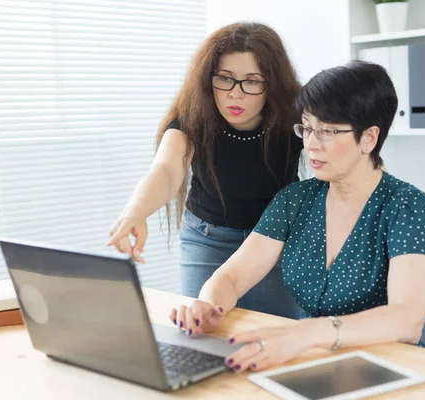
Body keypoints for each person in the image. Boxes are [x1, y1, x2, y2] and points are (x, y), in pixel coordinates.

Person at [169, 60, 425, 373]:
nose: (311, 145)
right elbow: (233, 276)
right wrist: (208, 304)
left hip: (391, 368)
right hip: (316, 362)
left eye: (327, 131)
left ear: (369, 138)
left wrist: (304, 334)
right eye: (307, 128)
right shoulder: (295, 200)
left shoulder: (406, 206)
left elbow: (408, 319)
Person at [106, 22, 305, 318]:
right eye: (224, 79)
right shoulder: (193, 114)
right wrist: (135, 212)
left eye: (252, 82)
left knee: (276, 333)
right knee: (203, 330)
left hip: (275, 243)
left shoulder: (296, 114)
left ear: (272, 84)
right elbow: (167, 169)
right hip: (208, 239)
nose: (235, 94)